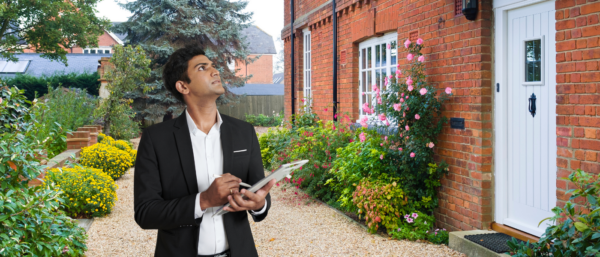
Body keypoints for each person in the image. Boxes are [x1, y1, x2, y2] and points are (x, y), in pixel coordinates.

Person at [134, 45, 276, 257]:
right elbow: (145, 213)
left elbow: (258, 193)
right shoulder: (156, 139)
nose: (215, 71)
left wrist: (259, 204)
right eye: (202, 68)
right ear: (183, 86)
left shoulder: (244, 132)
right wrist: (204, 200)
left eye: (213, 65)